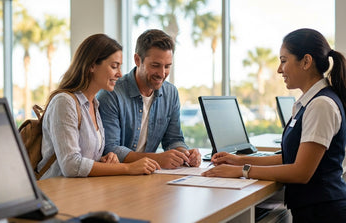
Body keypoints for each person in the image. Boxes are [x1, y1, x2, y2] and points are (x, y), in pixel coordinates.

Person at [202, 28, 346, 222]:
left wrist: (242, 171)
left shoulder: (321, 105)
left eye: (284, 61)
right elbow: (290, 158)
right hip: (314, 209)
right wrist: (237, 160)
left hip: (324, 213)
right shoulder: (309, 102)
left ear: (306, 61)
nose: (279, 69)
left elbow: (301, 172)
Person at [38, 34, 160, 179]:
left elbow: (85, 160)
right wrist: (127, 167)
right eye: (114, 66)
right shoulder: (64, 102)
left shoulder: (94, 104)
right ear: (92, 65)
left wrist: (106, 160)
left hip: (83, 192)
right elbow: (71, 165)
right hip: (59, 194)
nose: (120, 74)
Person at [97, 29, 201, 169]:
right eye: (155, 65)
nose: (162, 73)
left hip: (148, 175)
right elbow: (111, 148)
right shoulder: (111, 94)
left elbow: (173, 140)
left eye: (167, 66)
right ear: (137, 60)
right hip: (119, 175)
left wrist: (185, 154)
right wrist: (157, 159)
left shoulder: (171, 93)